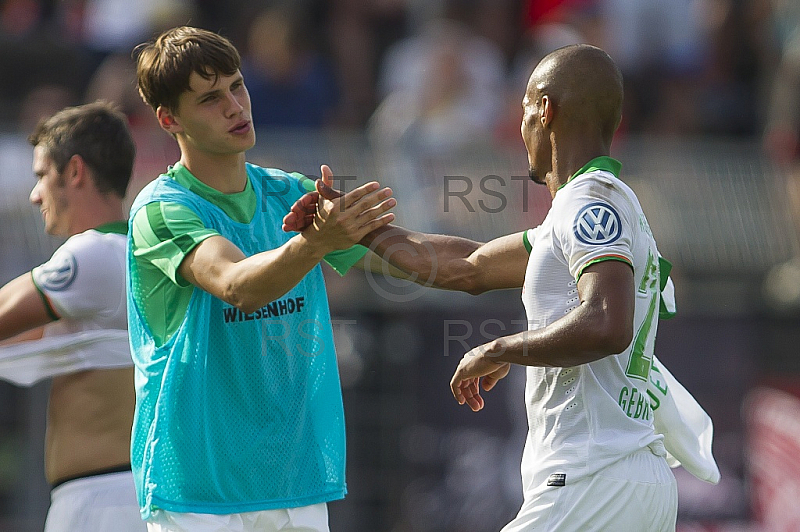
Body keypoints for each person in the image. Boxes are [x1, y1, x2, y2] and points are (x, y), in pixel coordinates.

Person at [286, 44, 691, 531]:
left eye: (523, 110)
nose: (520, 129)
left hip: (591, 479)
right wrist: (358, 228)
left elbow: (606, 321)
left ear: (546, 110)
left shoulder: (590, 204)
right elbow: (469, 266)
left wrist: (501, 348)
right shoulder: (593, 209)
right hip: (625, 482)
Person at [128, 26, 395, 532]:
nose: (234, 105)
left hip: (294, 478)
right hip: (196, 488)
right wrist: (314, 242)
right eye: (210, 98)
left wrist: (545, 245)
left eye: (236, 86)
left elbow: (421, 258)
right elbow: (236, 285)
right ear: (169, 119)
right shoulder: (162, 210)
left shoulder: (288, 192)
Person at [0, 101, 144, 531]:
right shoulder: (128, 256)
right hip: (117, 497)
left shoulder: (93, 254)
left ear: (76, 171)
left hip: (104, 502)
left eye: (42, 175)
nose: (34, 194)